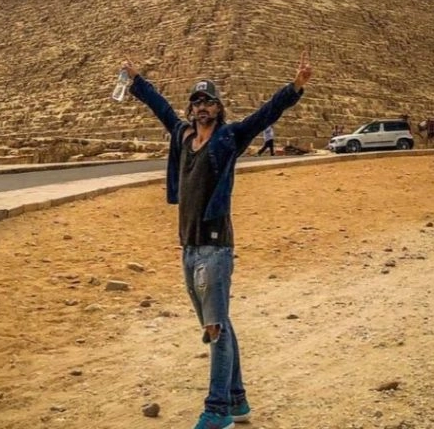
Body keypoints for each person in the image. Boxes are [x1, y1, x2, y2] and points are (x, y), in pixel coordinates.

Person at [121, 51, 312, 429]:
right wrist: (136, 80)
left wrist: (295, 87)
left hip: (215, 247)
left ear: (219, 108)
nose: (201, 107)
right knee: (218, 322)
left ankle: (218, 409)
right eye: (196, 101)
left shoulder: (229, 137)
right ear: (191, 108)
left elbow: (265, 115)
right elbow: (160, 108)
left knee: (215, 328)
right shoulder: (182, 135)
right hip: (189, 247)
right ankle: (238, 402)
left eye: (208, 101)